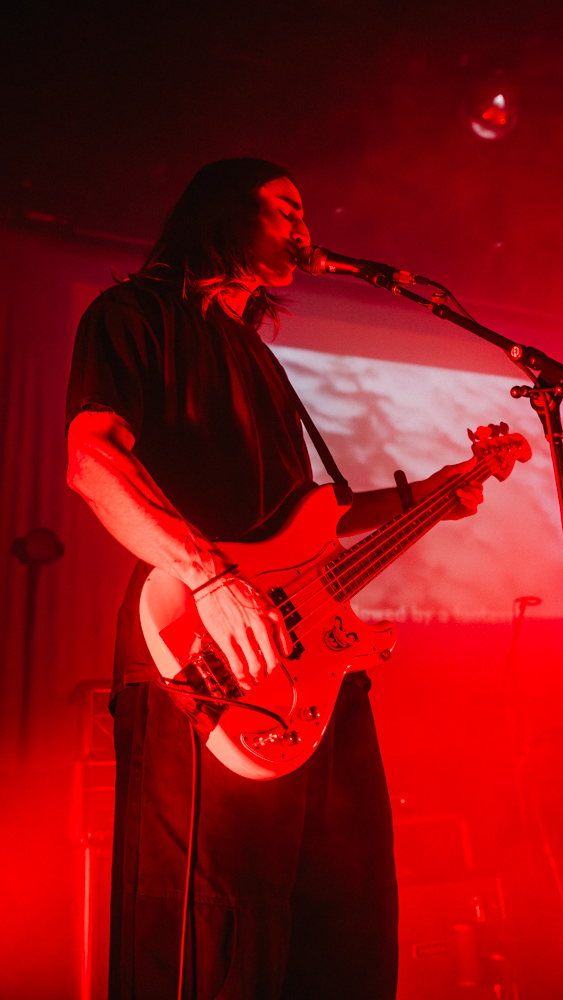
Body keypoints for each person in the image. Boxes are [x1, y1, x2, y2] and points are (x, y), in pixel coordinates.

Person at [65, 158, 483, 1000]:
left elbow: (306, 523)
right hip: (204, 645)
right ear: (224, 212)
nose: (304, 224)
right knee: (214, 922)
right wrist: (210, 577)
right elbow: (90, 460)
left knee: (344, 907)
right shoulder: (133, 314)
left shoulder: (260, 357)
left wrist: (435, 495)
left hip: (308, 663)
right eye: (286, 206)